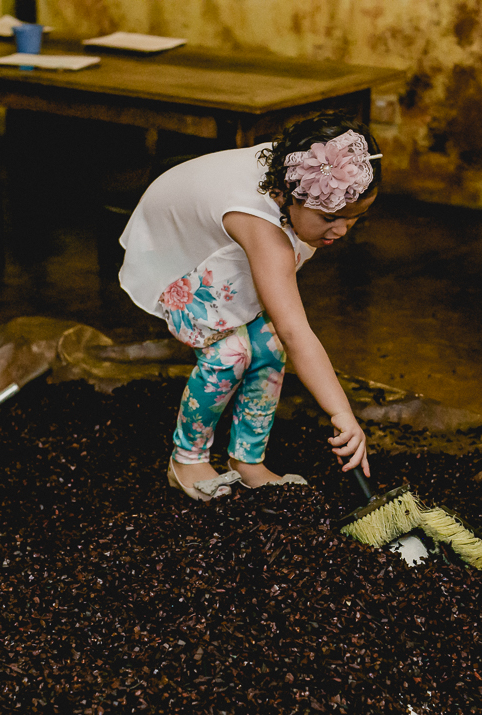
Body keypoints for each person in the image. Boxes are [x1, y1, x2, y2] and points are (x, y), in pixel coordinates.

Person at [118, 112, 379, 501]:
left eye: (355, 220)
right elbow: (296, 330)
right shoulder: (262, 227)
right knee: (230, 353)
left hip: (222, 241)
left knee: (270, 347)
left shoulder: (299, 169)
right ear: (289, 196)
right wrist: (341, 413)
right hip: (175, 253)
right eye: (330, 218)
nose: (341, 231)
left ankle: (247, 461)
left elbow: (283, 334)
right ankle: (186, 459)